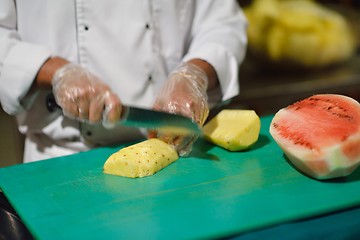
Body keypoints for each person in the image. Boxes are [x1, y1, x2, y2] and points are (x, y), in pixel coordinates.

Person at [0, 0, 248, 163]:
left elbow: (223, 22)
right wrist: (54, 70)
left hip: (175, 154)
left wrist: (194, 73)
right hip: (62, 158)